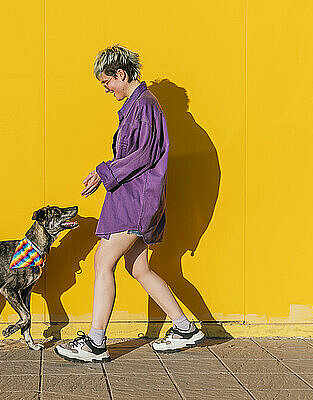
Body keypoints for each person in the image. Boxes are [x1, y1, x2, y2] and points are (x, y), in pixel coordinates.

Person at [54, 45, 205, 363]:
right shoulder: (140, 106)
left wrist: (103, 170)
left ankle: (96, 342)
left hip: (135, 201)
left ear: (120, 74)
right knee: (139, 268)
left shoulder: (145, 107)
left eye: (106, 82)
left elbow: (144, 156)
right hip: (133, 199)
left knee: (102, 263)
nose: (106, 89)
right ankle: (184, 327)